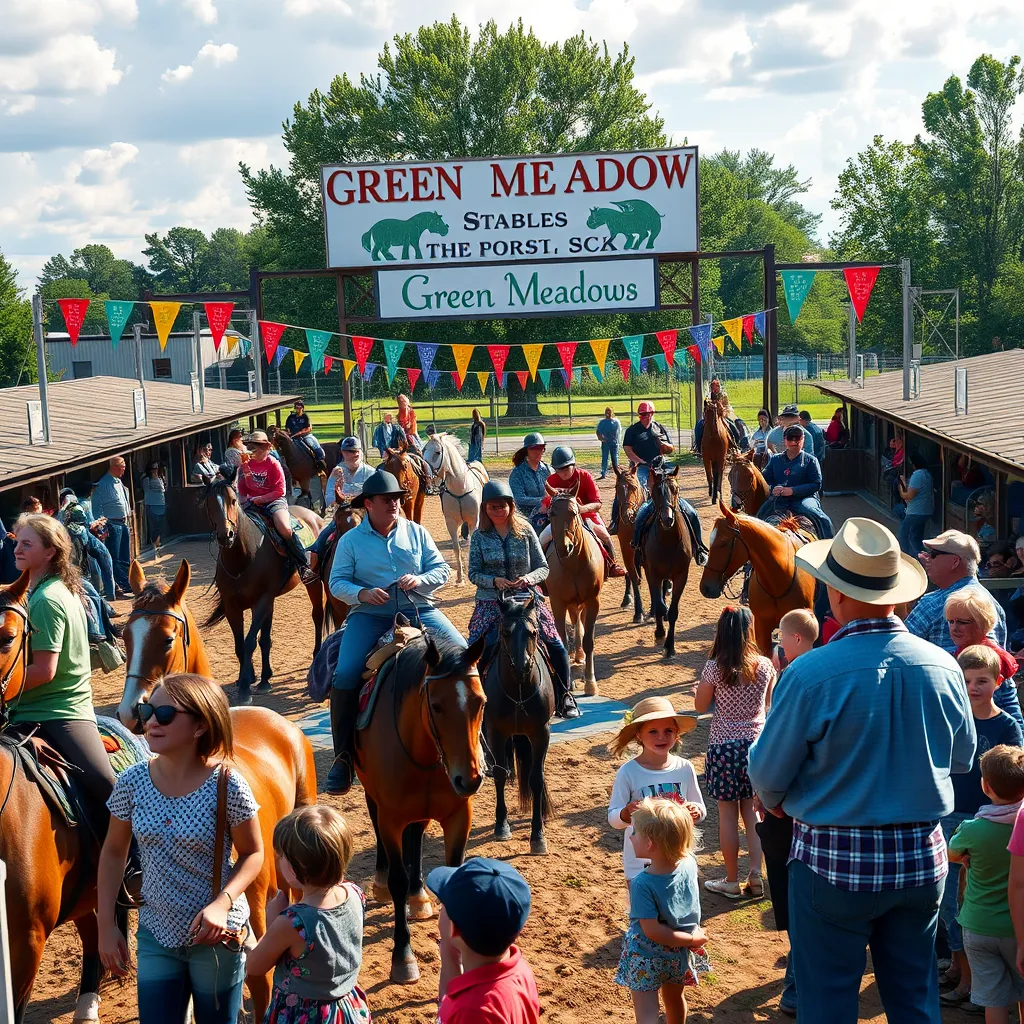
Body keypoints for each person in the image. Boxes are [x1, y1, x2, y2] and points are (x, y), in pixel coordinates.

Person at [747, 517, 976, 1022]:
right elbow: (961, 759)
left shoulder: (809, 673)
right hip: (920, 860)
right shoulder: (944, 666)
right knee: (915, 1000)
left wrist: (785, 798)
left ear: (838, 595)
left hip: (832, 859)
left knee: (826, 1004)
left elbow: (765, 776)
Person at [98, 673, 264, 1024]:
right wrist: (106, 927)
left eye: (166, 714)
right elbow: (113, 852)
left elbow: (253, 853)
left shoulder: (228, 783)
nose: (151, 722)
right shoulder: (132, 781)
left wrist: (222, 904)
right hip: (156, 931)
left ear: (201, 726)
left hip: (216, 938)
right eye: (147, 711)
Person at [325, 469, 462, 795]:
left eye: (397, 500)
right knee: (344, 674)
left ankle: (476, 740)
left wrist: (420, 581)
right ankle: (343, 757)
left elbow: (441, 569)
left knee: (463, 656)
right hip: (370, 616)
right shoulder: (350, 541)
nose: (395, 505)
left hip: (420, 609)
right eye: (387, 500)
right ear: (368, 504)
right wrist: (362, 594)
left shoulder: (416, 532)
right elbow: (336, 583)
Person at [10, 515, 120, 852]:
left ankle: (134, 858)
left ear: (49, 552)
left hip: (59, 711)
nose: (17, 549)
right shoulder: (46, 590)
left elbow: (44, 670)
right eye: (17, 542)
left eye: (27, 544)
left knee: (108, 787)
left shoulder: (46, 600)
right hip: (27, 707)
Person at [938, 646, 1024, 1008]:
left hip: (991, 821)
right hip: (951, 815)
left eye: (982, 681)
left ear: (998, 682)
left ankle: (978, 983)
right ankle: (963, 970)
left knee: (975, 899)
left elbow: (1015, 773)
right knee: (947, 903)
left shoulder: (1006, 725)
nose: (974, 687)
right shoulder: (951, 716)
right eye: (967, 680)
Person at [246, 806, 371, 1024]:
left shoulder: (293, 922)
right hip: (346, 1010)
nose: (278, 861)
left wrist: (269, 922)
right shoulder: (355, 894)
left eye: (281, 856)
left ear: (294, 870)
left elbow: (255, 966)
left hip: (303, 1015)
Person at [467, 479, 579, 719]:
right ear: (485, 508)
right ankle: (474, 699)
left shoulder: (526, 530)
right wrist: (494, 581)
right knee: (475, 647)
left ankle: (564, 695)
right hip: (491, 601)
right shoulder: (479, 536)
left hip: (527, 599)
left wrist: (528, 578)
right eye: (493, 507)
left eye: (503, 506)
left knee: (556, 645)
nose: (498, 510)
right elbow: (473, 573)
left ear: (511, 505)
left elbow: (543, 568)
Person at [759, 609, 817, 1019]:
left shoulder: (796, 677)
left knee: (802, 904)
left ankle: (796, 988)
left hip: (796, 812)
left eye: (782, 637)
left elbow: (777, 753)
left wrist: (771, 798)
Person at [694, 605, 774, 899]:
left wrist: (698, 692)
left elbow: (701, 707)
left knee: (727, 815)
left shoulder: (714, 668)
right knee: (753, 814)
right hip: (757, 746)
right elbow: (766, 706)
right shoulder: (765, 665)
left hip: (724, 746)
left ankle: (730, 878)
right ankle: (755, 874)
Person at [614, 798, 707, 1024]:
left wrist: (691, 939)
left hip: (646, 956)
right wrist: (691, 939)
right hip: (678, 955)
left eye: (635, 832)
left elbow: (652, 931)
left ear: (651, 844)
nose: (631, 836)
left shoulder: (641, 884)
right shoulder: (689, 862)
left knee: (647, 1013)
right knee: (675, 998)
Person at [949, 745, 1024, 1022]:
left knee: (993, 1001)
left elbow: (953, 854)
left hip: (979, 926)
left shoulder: (973, 828)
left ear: (985, 785)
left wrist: (969, 857)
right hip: (1018, 929)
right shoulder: (1022, 824)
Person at [429, 858, 540, 1024]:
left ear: (454, 929)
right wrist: (450, 962)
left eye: (442, 907)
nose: (439, 912)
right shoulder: (520, 972)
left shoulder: (472, 1011)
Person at [608, 696, 706, 883]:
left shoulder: (684, 767)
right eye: (653, 731)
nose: (661, 737)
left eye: (668, 730)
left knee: (679, 908)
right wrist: (625, 814)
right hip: (640, 862)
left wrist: (695, 810)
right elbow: (613, 818)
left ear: (677, 734)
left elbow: (700, 808)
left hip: (680, 856)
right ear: (638, 735)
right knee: (644, 910)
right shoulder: (628, 772)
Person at [906, 529, 1007, 652]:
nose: (927, 559)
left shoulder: (933, 603)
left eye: (933, 554)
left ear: (954, 561)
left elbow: (901, 648)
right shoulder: (994, 605)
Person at [537, 446, 626, 577]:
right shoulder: (551, 481)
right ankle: (541, 570)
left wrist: (581, 508)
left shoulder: (585, 476)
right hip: (562, 520)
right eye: (559, 469)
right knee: (541, 539)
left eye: (566, 468)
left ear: (574, 464)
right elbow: (547, 502)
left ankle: (612, 564)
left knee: (606, 537)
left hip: (586, 516)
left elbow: (597, 503)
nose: (563, 472)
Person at [945, 589, 1024, 729]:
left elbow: (1011, 711)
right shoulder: (950, 657)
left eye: (962, 622)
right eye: (951, 621)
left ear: (982, 623)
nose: (954, 628)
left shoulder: (993, 659)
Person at [237, 431, 312, 577]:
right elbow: (243, 490)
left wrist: (262, 499)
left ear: (266, 448)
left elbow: (280, 490)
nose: (253, 450)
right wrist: (243, 498)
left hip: (274, 501)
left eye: (257, 446)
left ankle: (302, 563)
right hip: (252, 502)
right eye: (251, 446)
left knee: (284, 528)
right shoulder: (245, 465)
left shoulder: (273, 464)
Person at [759, 426, 833, 538]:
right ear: (785, 440)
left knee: (821, 518)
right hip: (780, 498)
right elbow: (764, 479)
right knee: (759, 516)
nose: (794, 442)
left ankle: (829, 546)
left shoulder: (811, 460)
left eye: (798, 438)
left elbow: (816, 484)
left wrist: (793, 490)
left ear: (803, 439)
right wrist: (773, 488)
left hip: (805, 498)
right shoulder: (775, 459)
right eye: (790, 439)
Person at [92, 455, 133, 597]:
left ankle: (126, 582)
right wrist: (101, 526)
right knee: (114, 556)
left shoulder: (119, 482)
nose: (124, 470)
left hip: (123, 522)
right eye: (122, 467)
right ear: (115, 467)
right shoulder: (103, 484)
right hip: (112, 523)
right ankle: (120, 585)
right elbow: (97, 507)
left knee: (124, 555)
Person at [508, 432, 550, 528]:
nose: (538, 452)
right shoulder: (517, 473)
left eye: (541, 448)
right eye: (534, 448)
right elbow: (519, 499)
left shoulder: (547, 470)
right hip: (526, 518)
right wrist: (543, 501)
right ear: (526, 450)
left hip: (549, 513)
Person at [899, 450, 935, 555]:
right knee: (916, 536)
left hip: (916, 512)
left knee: (905, 535)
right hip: (925, 510)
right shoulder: (926, 474)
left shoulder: (918, 475)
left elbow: (909, 496)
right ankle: (921, 556)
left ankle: (907, 556)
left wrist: (901, 490)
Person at [324, 436, 373, 506]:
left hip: (363, 511)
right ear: (342, 453)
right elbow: (329, 498)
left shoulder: (370, 472)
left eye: (356, 451)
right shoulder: (336, 472)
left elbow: (374, 498)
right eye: (348, 451)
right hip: (341, 511)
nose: (354, 454)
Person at [285, 400, 328, 475]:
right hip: (292, 437)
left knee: (312, 444)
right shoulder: (291, 417)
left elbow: (308, 428)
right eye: (296, 407)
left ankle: (320, 460)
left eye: (299, 407)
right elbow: (288, 428)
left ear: (302, 408)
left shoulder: (305, 417)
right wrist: (289, 434)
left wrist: (301, 432)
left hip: (305, 436)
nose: (298, 408)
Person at [772, 607, 817, 675]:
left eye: (782, 638)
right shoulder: (818, 663)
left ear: (797, 639)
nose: (780, 644)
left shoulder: (793, 673)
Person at [142, 461, 167, 554]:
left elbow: (164, 490)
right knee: (154, 525)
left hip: (161, 504)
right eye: (153, 469)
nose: (155, 471)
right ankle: (154, 543)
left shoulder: (161, 479)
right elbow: (147, 491)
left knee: (160, 526)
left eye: (156, 468)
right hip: (152, 504)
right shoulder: (146, 479)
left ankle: (158, 543)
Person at [596, 407, 621, 479]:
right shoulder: (602, 422)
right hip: (605, 443)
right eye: (606, 411)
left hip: (614, 443)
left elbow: (618, 432)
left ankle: (616, 472)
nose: (607, 413)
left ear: (612, 413)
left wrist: (617, 440)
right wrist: (601, 438)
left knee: (615, 458)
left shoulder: (615, 422)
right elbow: (598, 431)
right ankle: (603, 472)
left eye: (609, 411)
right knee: (605, 457)